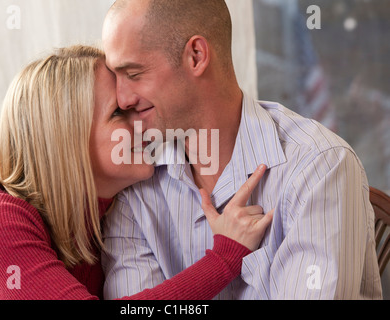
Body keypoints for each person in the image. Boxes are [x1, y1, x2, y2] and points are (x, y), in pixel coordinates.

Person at [0, 45, 273, 300]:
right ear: (67, 138)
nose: (143, 121)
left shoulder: (109, 216)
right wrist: (224, 256)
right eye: (119, 112)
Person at [101, 0, 383, 299]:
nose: (121, 99)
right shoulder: (135, 183)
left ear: (196, 56)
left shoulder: (320, 166)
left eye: (133, 74)